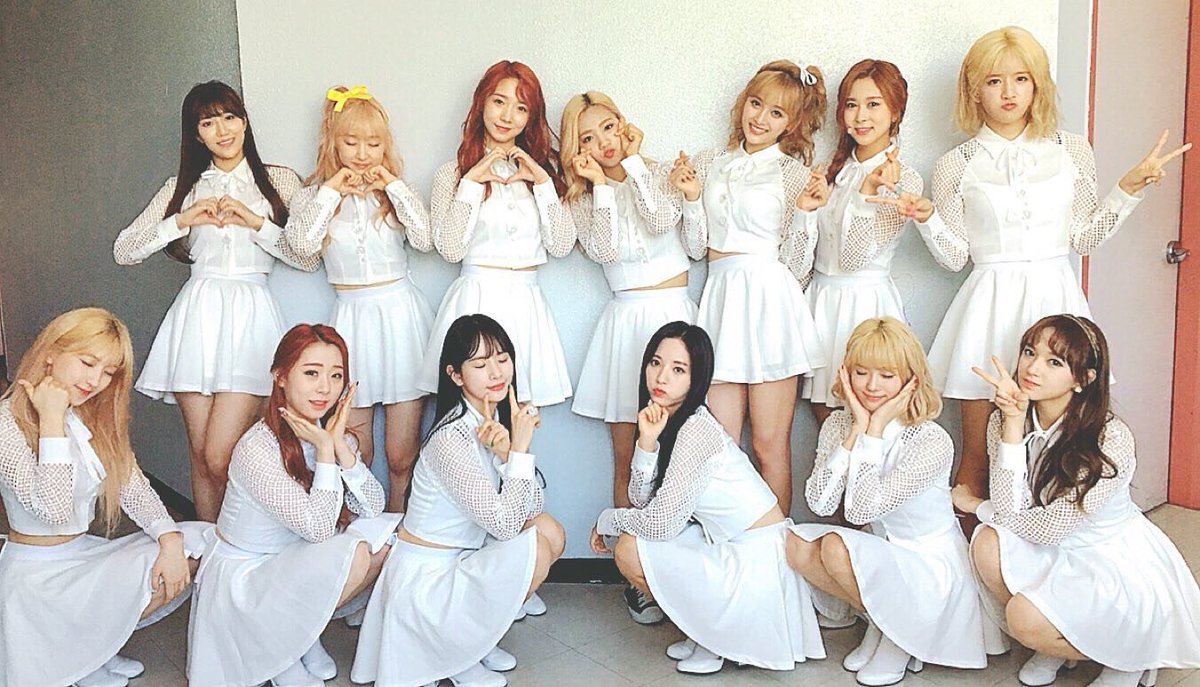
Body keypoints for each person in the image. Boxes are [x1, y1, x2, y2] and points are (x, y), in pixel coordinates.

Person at [871, 27, 1191, 523]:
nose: (1009, 92)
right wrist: (928, 218)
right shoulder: (956, 164)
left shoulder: (1071, 149)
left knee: (1062, 453)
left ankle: (1042, 555)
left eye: (1021, 78)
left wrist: (1128, 189)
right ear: (974, 90)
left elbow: (1084, 238)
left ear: (1037, 84)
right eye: (994, 81)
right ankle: (970, 563)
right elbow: (954, 258)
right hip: (987, 309)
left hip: (1055, 301)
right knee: (979, 458)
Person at [954, 315, 1200, 687]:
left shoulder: (1110, 438)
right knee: (986, 543)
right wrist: (1013, 423)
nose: (1032, 368)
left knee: (1023, 616)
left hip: (1107, 558)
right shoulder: (1005, 420)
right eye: (1029, 352)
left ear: (1083, 378)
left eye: (1054, 362)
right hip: (1052, 547)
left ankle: (1131, 656)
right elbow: (1010, 509)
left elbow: (1051, 527)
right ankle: (1059, 643)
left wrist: (977, 506)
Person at [113, 80, 318, 521]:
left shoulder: (278, 180)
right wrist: (182, 220)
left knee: (220, 456)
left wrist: (256, 223)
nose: (222, 130)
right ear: (196, 134)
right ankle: (210, 549)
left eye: (229, 117)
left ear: (244, 122)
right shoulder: (182, 186)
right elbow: (124, 249)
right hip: (197, 316)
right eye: (208, 123)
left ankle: (238, 542)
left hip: (251, 317)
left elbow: (309, 256)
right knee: (201, 455)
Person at [592, 321, 824, 675]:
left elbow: (660, 523)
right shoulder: (669, 421)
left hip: (755, 557)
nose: (661, 377)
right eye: (655, 363)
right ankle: (706, 633)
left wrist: (607, 520)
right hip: (727, 543)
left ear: (696, 378)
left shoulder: (696, 429)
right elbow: (643, 502)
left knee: (629, 547)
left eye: (678, 369)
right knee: (634, 542)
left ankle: (717, 639)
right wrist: (647, 443)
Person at [788, 317, 1005, 686]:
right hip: (885, 553)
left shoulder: (930, 439)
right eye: (861, 372)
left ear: (910, 380)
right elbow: (820, 503)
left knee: (837, 547)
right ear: (846, 373)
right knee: (797, 545)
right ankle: (883, 622)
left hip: (929, 564)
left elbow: (860, 510)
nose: (872, 386)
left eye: (887, 375)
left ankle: (903, 635)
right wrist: (855, 431)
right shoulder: (839, 425)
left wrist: (872, 432)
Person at [353, 314, 565, 687]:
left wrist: (507, 453)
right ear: (455, 375)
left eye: (502, 359)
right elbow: (504, 525)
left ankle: (471, 642)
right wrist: (519, 449)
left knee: (547, 530)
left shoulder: (493, 423)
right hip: (428, 578)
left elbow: (531, 508)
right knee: (537, 547)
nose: (496, 372)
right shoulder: (451, 437)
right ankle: (453, 652)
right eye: (480, 365)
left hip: (464, 557)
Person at [0, 308, 207, 687]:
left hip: (81, 554)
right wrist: (51, 420)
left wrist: (169, 538)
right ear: (52, 353)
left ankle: (90, 650)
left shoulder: (89, 418)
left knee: (199, 541)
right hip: (36, 575)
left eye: (109, 371)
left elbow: (134, 488)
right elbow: (53, 510)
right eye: (88, 362)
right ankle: (81, 658)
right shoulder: (6, 422)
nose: (96, 381)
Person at [560, 90, 701, 624]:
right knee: (629, 453)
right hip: (625, 326)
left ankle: (685, 568)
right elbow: (605, 250)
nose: (603, 143)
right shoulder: (581, 199)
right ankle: (635, 572)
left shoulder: (658, 172)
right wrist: (600, 186)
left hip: (674, 317)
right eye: (587, 138)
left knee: (683, 451)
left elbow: (663, 221)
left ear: (624, 125)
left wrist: (636, 164)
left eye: (609, 127)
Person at [187, 324, 391, 687]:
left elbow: (374, 507)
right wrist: (325, 452)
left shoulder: (330, 436)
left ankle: (301, 633)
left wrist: (338, 447)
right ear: (280, 377)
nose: (325, 388)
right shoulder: (257, 448)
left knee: (382, 542)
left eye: (336, 376)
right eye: (311, 373)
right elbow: (318, 528)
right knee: (357, 552)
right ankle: (282, 646)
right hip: (246, 575)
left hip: (289, 561)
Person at [669, 59, 828, 513]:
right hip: (721, 299)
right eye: (756, 104)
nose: (760, 119)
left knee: (768, 443)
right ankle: (732, 542)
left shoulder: (793, 174)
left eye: (776, 113)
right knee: (718, 445)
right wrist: (692, 199)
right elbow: (696, 248)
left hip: (769, 302)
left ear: (792, 123)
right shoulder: (710, 163)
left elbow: (797, 267)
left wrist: (806, 214)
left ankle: (776, 545)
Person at [285, 85, 435, 511]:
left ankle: (400, 529)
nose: (363, 154)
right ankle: (356, 531)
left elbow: (426, 239)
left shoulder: (395, 192)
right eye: (351, 142)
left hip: (402, 319)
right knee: (354, 445)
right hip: (351, 319)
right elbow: (301, 246)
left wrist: (394, 187)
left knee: (401, 453)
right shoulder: (313, 197)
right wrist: (333, 190)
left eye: (373, 143)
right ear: (333, 141)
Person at [421, 60, 576, 410]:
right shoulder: (452, 174)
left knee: (520, 418)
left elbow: (562, 245)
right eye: (499, 101)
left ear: (531, 116)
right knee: (469, 415)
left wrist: (542, 182)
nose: (507, 116)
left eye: (521, 107)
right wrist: (472, 183)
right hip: (475, 298)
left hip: (526, 303)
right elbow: (449, 249)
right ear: (482, 103)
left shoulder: (544, 172)